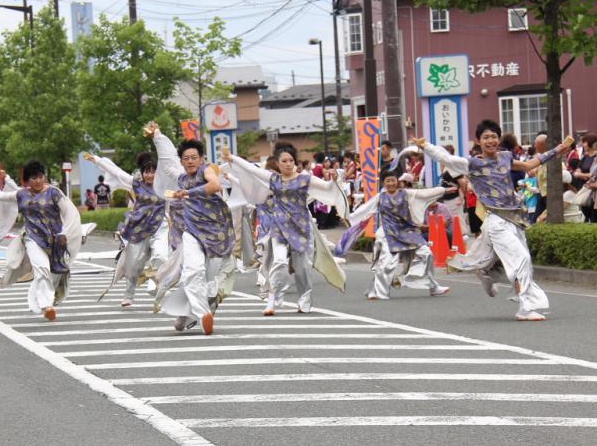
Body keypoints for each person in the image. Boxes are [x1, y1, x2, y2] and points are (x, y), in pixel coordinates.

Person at [416, 119, 571, 321]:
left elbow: (529, 164)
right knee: (520, 259)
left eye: (494, 137)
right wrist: (426, 146)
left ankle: (487, 272)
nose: (490, 140)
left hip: (514, 219)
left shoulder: (506, 157)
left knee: (523, 262)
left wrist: (557, 150)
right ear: (478, 141)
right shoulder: (472, 164)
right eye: (486, 137)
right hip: (496, 221)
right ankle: (525, 308)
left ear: (499, 139)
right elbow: (447, 157)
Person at [223, 142, 348, 315]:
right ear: (278, 163)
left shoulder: (305, 179)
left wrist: (335, 180)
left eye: (291, 160)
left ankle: (304, 297)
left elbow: (327, 188)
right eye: (284, 161)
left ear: (295, 162)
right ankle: (273, 299)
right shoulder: (273, 179)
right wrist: (232, 159)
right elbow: (252, 171)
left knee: (302, 268)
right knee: (279, 261)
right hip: (279, 228)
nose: (288, 163)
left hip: (301, 228)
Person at [146, 123, 234, 335]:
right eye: (186, 158)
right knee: (192, 273)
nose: (190, 161)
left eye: (194, 157)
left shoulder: (208, 170)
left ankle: (187, 315)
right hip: (192, 233)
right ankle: (204, 315)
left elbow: (215, 186)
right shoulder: (181, 179)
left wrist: (188, 194)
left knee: (208, 279)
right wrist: (157, 136)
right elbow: (167, 168)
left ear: (201, 158)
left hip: (216, 235)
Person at [0, 160, 82, 321]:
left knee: (55, 274)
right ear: (27, 180)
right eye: (33, 178)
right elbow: (1, 196)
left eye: (40, 177)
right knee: (41, 268)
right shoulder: (21, 194)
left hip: (55, 241)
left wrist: (66, 233)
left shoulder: (54, 193)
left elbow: (70, 213)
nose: (37, 181)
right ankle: (47, 306)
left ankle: (47, 300)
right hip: (32, 238)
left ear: (44, 177)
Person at [347, 169, 451, 300]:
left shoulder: (406, 193)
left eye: (393, 180)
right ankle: (379, 292)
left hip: (407, 231)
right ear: (384, 183)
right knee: (386, 264)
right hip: (389, 233)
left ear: (398, 181)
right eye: (387, 181)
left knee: (426, 254)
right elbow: (365, 209)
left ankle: (431, 286)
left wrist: (444, 190)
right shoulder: (380, 197)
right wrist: (349, 217)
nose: (391, 183)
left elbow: (424, 194)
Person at [86, 151, 167, 307]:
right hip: (138, 228)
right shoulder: (135, 183)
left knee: (161, 256)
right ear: (142, 173)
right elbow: (116, 170)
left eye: (153, 171)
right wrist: (97, 160)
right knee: (134, 264)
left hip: (160, 227)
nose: (150, 175)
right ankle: (129, 294)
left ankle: (157, 287)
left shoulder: (165, 185)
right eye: (147, 172)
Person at [572, 133, 597, 221]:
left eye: (585, 142)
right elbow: (576, 173)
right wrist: (584, 175)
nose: (583, 144)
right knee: (586, 212)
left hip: (592, 190)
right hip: (584, 188)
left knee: (593, 214)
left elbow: (591, 175)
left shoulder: (595, 158)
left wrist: (581, 175)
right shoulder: (585, 157)